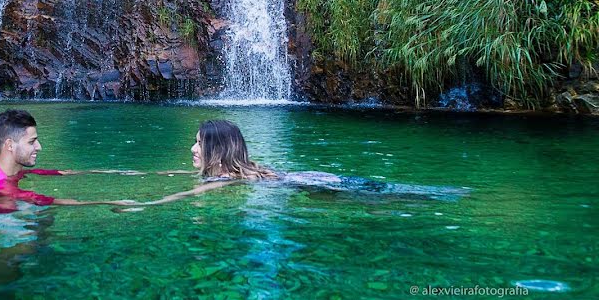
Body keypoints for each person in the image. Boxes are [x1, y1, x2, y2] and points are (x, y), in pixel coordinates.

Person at [137, 119, 468, 206]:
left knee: (389, 197)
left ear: (217, 150)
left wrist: (140, 203)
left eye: (198, 142)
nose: (192, 148)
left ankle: (443, 194)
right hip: (314, 178)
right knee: (387, 192)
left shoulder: (228, 180)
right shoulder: (242, 171)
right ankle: (444, 193)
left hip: (312, 184)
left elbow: (189, 196)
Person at [0, 108, 135, 213]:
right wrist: (108, 201)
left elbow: (39, 173)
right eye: (32, 141)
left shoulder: (5, 169)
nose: (39, 147)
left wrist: (103, 172)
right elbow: (47, 200)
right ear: (9, 145)